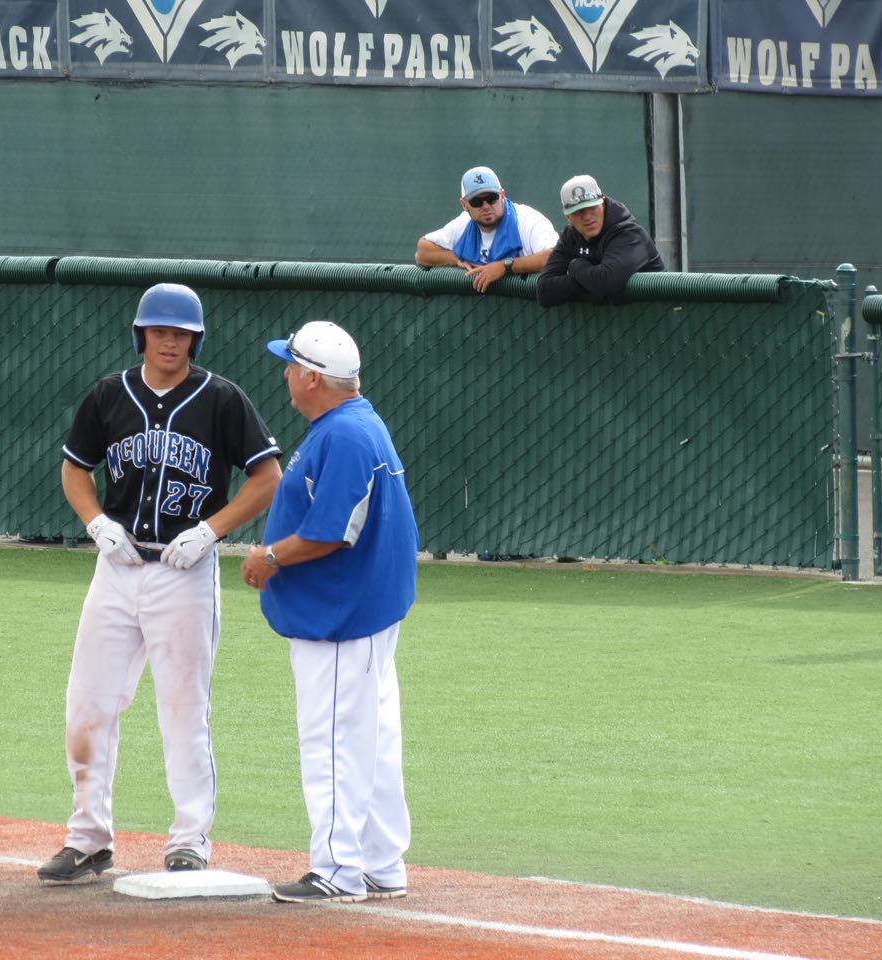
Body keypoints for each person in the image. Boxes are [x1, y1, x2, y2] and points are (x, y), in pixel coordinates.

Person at [38, 282, 282, 883]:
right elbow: (75, 468)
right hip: (117, 568)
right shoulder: (109, 394)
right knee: (88, 701)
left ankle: (190, 839)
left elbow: (267, 477)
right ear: (141, 335)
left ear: (195, 340)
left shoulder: (221, 398)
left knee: (183, 708)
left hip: (184, 572)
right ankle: (88, 840)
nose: (169, 342)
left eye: (180, 333)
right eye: (159, 331)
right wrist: (96, 522)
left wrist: (211, 530)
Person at [239, 320, 419, 903]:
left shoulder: (343, 435)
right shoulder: (353, 423)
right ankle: (381, 863)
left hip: (342, 617)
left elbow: (330, 532)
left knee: (335, 741)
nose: (285, 375)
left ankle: (339, 869)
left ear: (313, 378)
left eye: (290, 366)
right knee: (373, 739)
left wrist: (268, 557)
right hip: (362, 611)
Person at [415, 165, 559, 293]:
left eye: (492, 198)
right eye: (476, 201)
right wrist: (456, 258)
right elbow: (422, 252)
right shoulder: (464, 222)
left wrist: (505, 266)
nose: (485, 206)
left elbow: (556, 256)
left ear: (502, 195)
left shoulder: (527, 220)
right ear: (464, 204)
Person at [536, 174, 665, 307]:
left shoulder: (628, 232)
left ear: (602, 203)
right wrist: (592, 279)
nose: (587, 217)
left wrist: (576, 267)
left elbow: (608, 283)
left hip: (657, 313)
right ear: (568, 216)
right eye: (579, 211)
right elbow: (544, 292)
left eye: (592, 207)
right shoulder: (570, 236)